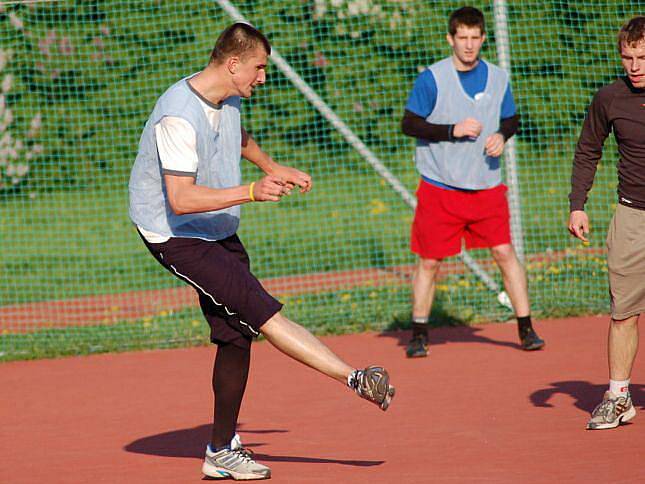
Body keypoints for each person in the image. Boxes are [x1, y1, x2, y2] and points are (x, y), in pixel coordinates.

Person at [128, 22, 395, 480]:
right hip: (175, 233)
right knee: (260, 312)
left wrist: (274, 167)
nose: (262, 77)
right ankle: (355, 378)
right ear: (233, 64)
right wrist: (253, 189)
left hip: (213, 224)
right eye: (259, 67)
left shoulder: (226, 96)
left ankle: (221, 446)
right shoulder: (177, 115)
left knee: (236, 332)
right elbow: (181, 199)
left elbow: (238, 135)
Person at [400, 6, 544, 358]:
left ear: (483, 39)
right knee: (430, 261)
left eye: (474, 38)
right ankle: (419, 331)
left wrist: (502, 135)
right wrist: (452, 130)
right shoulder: (432, 78)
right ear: (451, 39)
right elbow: (409, 124)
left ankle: (526, 327)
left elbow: (511, 119)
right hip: (441, 186)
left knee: (504, 252)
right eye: (461, 38)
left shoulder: (498, 77)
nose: (468, 45)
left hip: (486, 186)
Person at [568, 16, 645, 431]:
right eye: (628, 57)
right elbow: (587, 151)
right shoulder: (609, 99)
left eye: (643, 58)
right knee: (624, 312)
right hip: (633, 217)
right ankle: (618, 397)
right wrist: (577, 205)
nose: (635, 66)